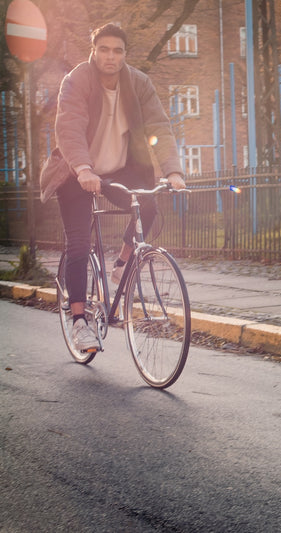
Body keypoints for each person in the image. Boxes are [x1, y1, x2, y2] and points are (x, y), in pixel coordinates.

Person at [53, 23, 186, 352]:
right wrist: (83, 168)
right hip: (76, 173)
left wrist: (173, 172)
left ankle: (123, 262)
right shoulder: (77, 80)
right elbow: (69, 125)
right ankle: (80, 322)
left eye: (118, 51)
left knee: (149, 205)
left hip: (118, 170)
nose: (111, 56)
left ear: (125, 54)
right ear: (94, 50)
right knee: (80, 244)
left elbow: (160, 127)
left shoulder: (139, 82)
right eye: (104, 49)